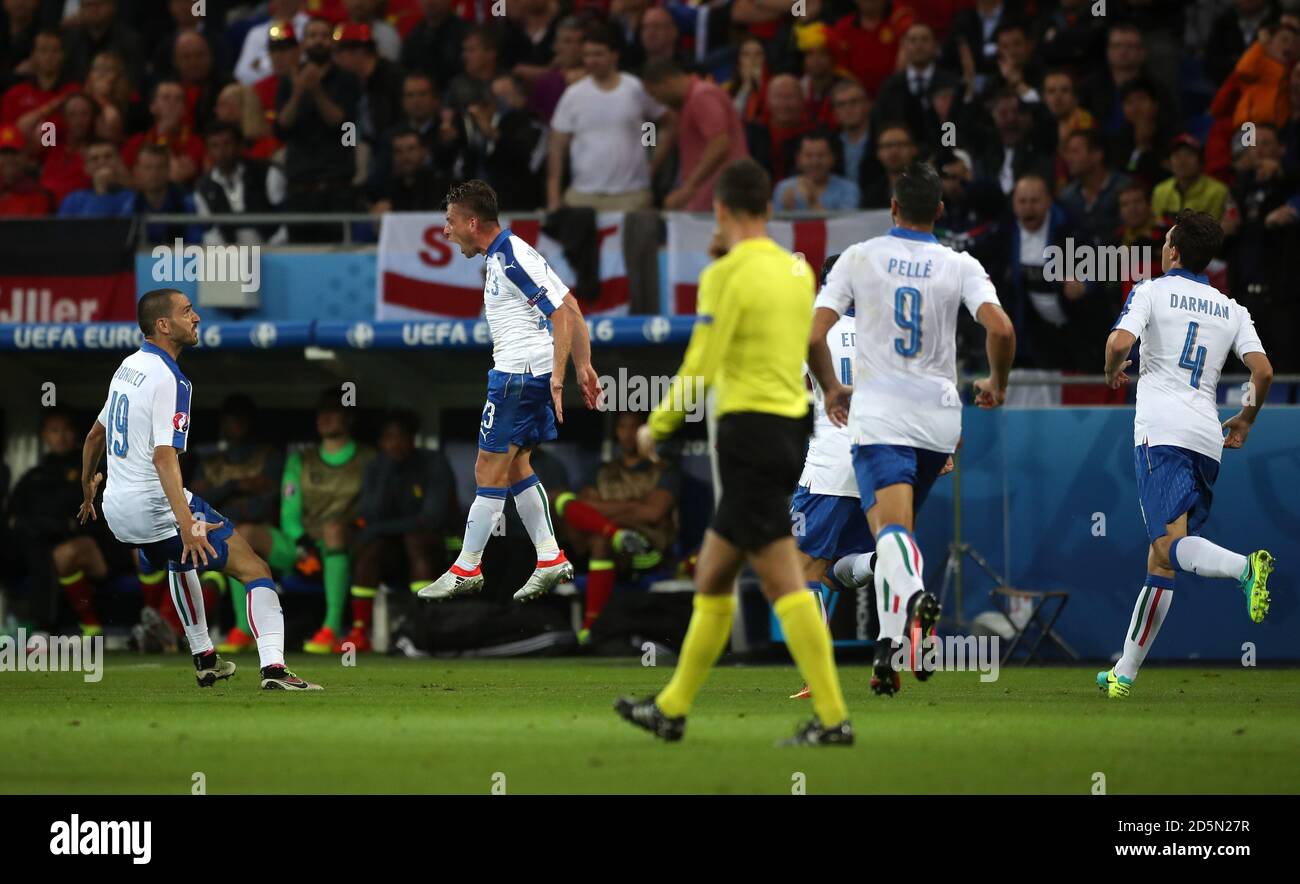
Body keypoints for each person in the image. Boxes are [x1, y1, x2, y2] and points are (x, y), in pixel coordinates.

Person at [616, 158, 853, 746]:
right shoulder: (798, 272)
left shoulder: (723, 274)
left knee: (783, 581)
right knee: (714, 577)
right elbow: (810, 341)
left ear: (720, 209)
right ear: (768, 211)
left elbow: (703, 361)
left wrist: (657, 427)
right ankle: (670, 708)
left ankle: (833, 719)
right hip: (792, 430)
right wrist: (831, 390)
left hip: (747, 435)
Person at [808, 161, 1015, 695]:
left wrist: (832, 388)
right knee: (895, 535)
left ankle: (910, 605)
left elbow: (813, 338)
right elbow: (1001, 328)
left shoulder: (860, 258)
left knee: (892, 532)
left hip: (881, 414)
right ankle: (891, 644)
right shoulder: (960, 263)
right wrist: (995, 380)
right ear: (940, 212)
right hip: (941, 414)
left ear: (892, 209)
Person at [77, 288, 320, 690]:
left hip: (117, 514)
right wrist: (188, 521)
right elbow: (164, 457)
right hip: (153, 506)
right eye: (187, 311)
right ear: (163, 325)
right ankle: (275, 669)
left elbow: (93, 435)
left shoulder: (127, 367)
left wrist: (88, 490)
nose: (197, 317)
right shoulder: (172, 379)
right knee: (254, 569)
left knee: (180, 561)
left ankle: (206, 658)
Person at [1097, 209, 1275, 699]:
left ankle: (1245, 568)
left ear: (1173, 251)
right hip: (1206, 438)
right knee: (1163, 561)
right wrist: (1245, 420)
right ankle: (1123, 675)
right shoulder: (1231, 308)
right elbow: (1262, 373)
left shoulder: (1151, 291)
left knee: (1163, 546)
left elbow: (1118, 342)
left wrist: (1112, 368)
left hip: (1161, 434)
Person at [417, 179, 600, 602]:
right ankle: (550, 557)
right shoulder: (515, 251)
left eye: (450, 222)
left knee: (487, 468)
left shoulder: (510, 256)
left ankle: (467, 566)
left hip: (519, 377)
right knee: (517, 467)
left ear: (472, 221)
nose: (446, 231)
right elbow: (571, 304)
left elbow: (560, 316)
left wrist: (559, 377)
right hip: (529, 375)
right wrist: (583, 364)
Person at [237, 392, 374, 654]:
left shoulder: (367, 458)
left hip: (347, 544)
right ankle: (244, 630)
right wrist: (301, 545)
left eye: (334, 411)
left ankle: (331, 629)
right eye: (322, 411)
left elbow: (371, 507)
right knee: (242, 535)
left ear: (349, 418)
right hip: (302, 544)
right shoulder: (302, 458)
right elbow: (290, 508)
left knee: (334, 530)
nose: (325, 417)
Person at [348, 410, 457, 651]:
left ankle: (425, 623)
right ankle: (359, 632)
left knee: (413, 539)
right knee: (371, 548)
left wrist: (379, 528)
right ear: (380, 443)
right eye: (388, 438)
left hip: (435, 552)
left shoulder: (433, 462)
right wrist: (387, 470)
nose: (394, 444)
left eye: (400, 437)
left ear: (412, 439)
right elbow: (369, 513)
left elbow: (431, 519)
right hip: (392, 555)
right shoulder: (377, 467)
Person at [187, 394, 284, 656]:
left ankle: (245, 630)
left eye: (242, 418)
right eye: (231, 418)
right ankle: (181, 631)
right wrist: (236, 486)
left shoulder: (269, 456)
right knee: (194, 542)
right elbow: (195, 503)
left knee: (242, 533)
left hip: (273, 539)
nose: (236, 424)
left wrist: (223, 503)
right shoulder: (210, 461)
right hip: (214, 536)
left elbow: (267, 505)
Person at [564, 412, 671, 640]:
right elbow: (583, 506)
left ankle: (592, 628)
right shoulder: (602, 472)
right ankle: (613, 534)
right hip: (607, 544)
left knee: (601, 539)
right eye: (623, 427)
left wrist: (606, 508)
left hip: (648, 548)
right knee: (563, 502)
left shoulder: (662, 470)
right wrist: (634, 505)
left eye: (635, 427)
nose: (629, 434)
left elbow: (653, 513)